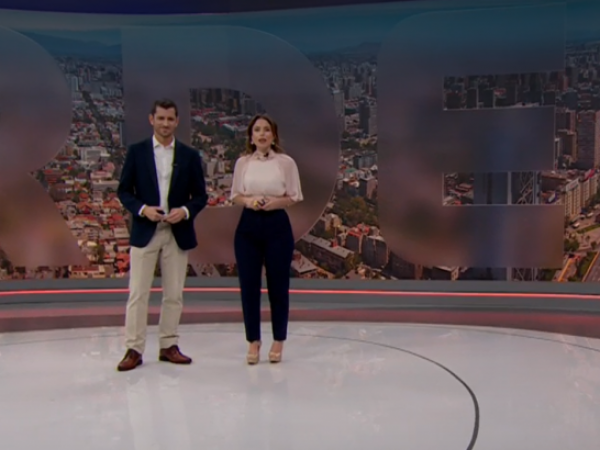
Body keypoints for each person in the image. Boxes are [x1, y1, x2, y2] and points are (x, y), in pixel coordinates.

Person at [116, 99, 208, 372]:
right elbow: (124, 191)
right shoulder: (137, 152)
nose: (165, 123)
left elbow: (200, 196)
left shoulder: (189, 155)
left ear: (176, 121)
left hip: (177, 232)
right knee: (138, 293)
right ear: (151, 120)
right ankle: (134, 349)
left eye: (170, 119)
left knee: (174, 293)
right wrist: (143, 209)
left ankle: (168, 345)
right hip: (146, 230)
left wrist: (185, 211)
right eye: (161, 118)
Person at [230, 114, 303, 365]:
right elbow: (235, 195)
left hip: (277, 225)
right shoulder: (242, 163)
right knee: (249, 286)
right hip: (248, 226)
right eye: (257, 130)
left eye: (266, 130)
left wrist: (274, 203)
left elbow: (294, 196)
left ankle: (278, 340)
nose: (262, 134)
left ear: (274, 136)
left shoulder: (286, 163)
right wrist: (250, 201)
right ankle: (253, 340)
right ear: (251, 136)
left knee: (278, 286)